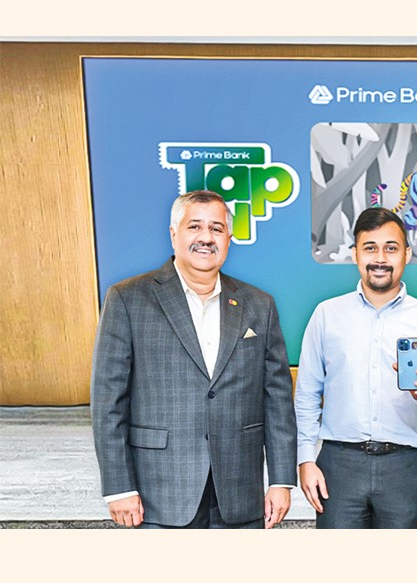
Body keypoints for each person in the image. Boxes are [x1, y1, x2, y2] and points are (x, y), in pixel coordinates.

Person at [91, 190, 297, 529]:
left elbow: (276, 400)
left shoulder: (259, 304)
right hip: (159, 494)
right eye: (194, 226)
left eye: (216, 229)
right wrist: (119, 487)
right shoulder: (128, 299)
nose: (206, 237)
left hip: (240, 492)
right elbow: (108, 401)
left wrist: (280, 480)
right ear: (174, 234)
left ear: (229, 238)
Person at [294, 207, 417, 528]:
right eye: (370, 248)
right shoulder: (326, 314)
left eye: (390, 248)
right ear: (355, 254)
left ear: (406, 254)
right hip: (338, 465)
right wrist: (305, 459)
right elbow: (307, 394)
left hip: (404, 466)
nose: (380, 258)